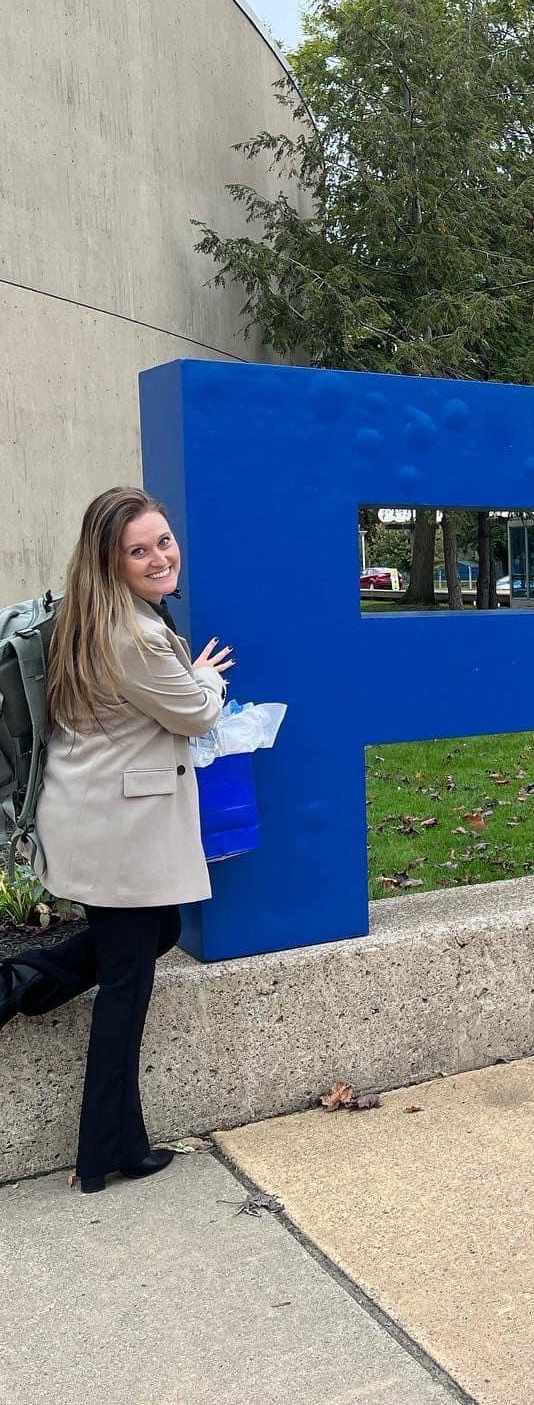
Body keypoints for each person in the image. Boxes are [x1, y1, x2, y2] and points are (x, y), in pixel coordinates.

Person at [0, 487, 233, 1193]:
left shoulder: (88, 614)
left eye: (163, 541)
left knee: (156, 932)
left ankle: (18, 983)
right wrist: (203, 680)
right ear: (111, 560)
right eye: (140, 549)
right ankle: (107, 1153)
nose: (160, 556)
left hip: (101, 818)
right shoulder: (132, 635)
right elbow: (193, 715)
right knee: (127, 986)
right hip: (119, 831)